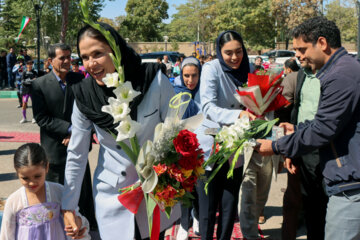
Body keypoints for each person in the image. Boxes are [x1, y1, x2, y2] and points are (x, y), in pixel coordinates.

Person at [61, 23, 180, 240]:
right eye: (85, 57)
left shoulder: (153, 79)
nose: (91, 63)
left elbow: (177, 132)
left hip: (155, 192)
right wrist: (68, 207)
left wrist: (168, 175)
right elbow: (76, 155)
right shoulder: (83, 96)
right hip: (112, 196)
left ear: (115, 49)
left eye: (97, 53)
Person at [256, 16, 360, 240]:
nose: (299, 56)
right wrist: (297, 129)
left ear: (321, 43)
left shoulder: (342, 74)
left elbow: (323, 129)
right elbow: (327, 121)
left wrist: (276, 146)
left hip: (351, 183)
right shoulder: (338, 70)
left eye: (302, 49)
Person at [31, 43, 97, 231]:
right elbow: (42, 118)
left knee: (82, 191)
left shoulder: (80, 79)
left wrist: (76, 134)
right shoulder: (39, 85)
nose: (68, 61)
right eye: (63, 58)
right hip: (54, 149)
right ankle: (58, 229)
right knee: (56, 192)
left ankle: (86, 227)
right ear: (50, 61)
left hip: (80, 145)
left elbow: (90, 109)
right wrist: (69, 130)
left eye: (70, 57)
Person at [198, 30, 255, 240]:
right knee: (207, 208)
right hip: (210, 144)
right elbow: (207, 107)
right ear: (219, 52)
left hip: (235, 146)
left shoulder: (248, 69)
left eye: (239, 51)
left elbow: (256, 101)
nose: (234, 57)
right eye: (228, 53)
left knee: (230, 205)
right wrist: (238, 114)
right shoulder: (211, 68)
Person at [0, 143, 90, 240]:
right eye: (25, 178)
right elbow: (6, 235)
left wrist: (77, 225)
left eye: (37, 176)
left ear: (46, 167)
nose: (31, 183)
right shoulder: (14, 201)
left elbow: (76, 217)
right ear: (17, 173)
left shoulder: (59, 192)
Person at [282, 54, 328, 240]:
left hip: (326, 150)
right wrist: (290, 150)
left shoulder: (332, 77)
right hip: (302, 146)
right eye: (295, 50)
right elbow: (296, 112)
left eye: (302, 49)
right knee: (306, 204)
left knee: (321, 207)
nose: (297, 55)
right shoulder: (300, 76)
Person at [173, 57, 202, 240]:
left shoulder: (205, 91)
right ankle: (184, 223)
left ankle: (197, 216)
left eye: (194, 76)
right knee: (184, 185)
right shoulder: (175, 92)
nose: (190, 80)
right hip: (182, 146)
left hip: (202, 145)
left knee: (199, 185)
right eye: (186, 76)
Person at [19, 60, 38, 124]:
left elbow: (36, 80)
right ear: (26, 65)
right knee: (24, 104)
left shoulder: (35, 72)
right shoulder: (24, 72)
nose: (30, 65)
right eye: (28, 64)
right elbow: (22, 81)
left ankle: (34, 118)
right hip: (25, 90)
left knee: (34, 104)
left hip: (33, 90)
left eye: (31, 64)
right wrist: (30, 81)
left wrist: (30, 81)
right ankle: (24, 118)